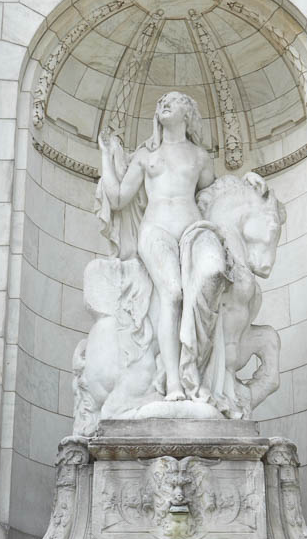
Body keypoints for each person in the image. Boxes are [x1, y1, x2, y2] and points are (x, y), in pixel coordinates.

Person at [96, 91, 226, 401]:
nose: (163, 102)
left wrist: (251, 182)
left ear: (188, 113)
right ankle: (173, 383)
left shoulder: (200, 157)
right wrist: (105, 155)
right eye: (161, 100)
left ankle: (197, 368)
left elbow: (219, 196)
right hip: (155, 231)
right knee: (174, 292)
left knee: (214, 274)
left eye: (174, 99)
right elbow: (117, 199)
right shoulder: (146, 156)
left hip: (193, 231)